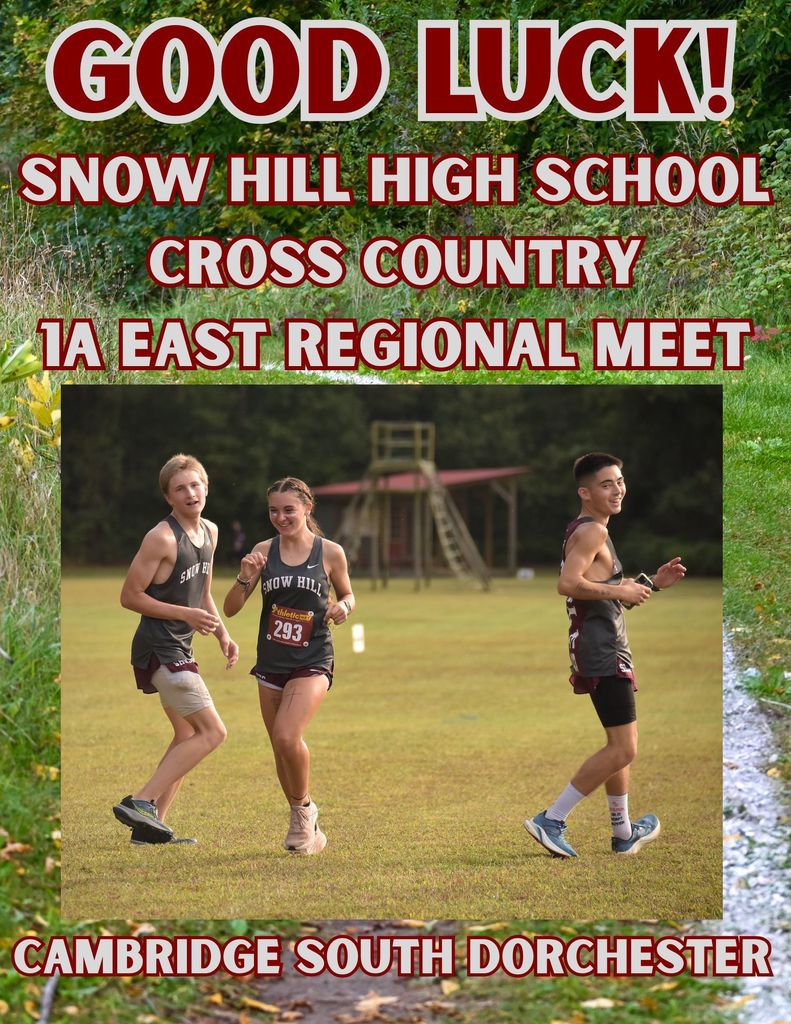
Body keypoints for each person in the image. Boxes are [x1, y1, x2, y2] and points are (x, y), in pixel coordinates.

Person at [524, 452, 686, 858]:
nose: (617, 489)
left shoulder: (593, 530)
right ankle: (552, 819)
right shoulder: (592, 531)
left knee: (619, 742)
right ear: (585, 492)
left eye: (619, 481)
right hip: (602, 649)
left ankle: (623, 832)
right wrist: (621, 590)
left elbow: (601, 589)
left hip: (603, 644)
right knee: (624, 748)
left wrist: (651, 584)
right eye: (606, 484)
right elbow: (568, 584)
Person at [223, 477, 354, 855]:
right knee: (282, 747)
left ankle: (303, 810)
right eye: (273, 511)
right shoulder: (263, 551)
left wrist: (343, 607)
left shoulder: (330, 552)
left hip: (313, 659)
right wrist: (245, 576)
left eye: (288, 510)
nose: (280, 517)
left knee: (285, 735)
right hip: (271, 662)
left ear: (307, 509)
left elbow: (347, 593)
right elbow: (232, 608)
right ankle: (303, 817)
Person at [113, 454, 238, 845]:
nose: (191, 492)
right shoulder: (161, 537)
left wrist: (222, 633)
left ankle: (151, 831)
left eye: (196, 484)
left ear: (206, 486)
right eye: (180, 487)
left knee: (186, 734)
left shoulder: (211, 532)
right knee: (213, 732)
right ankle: (141, 801)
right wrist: (185, 613)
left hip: (180, 646)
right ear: (168, 496)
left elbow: (202, 592)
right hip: (158, 648)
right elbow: (129, 596)